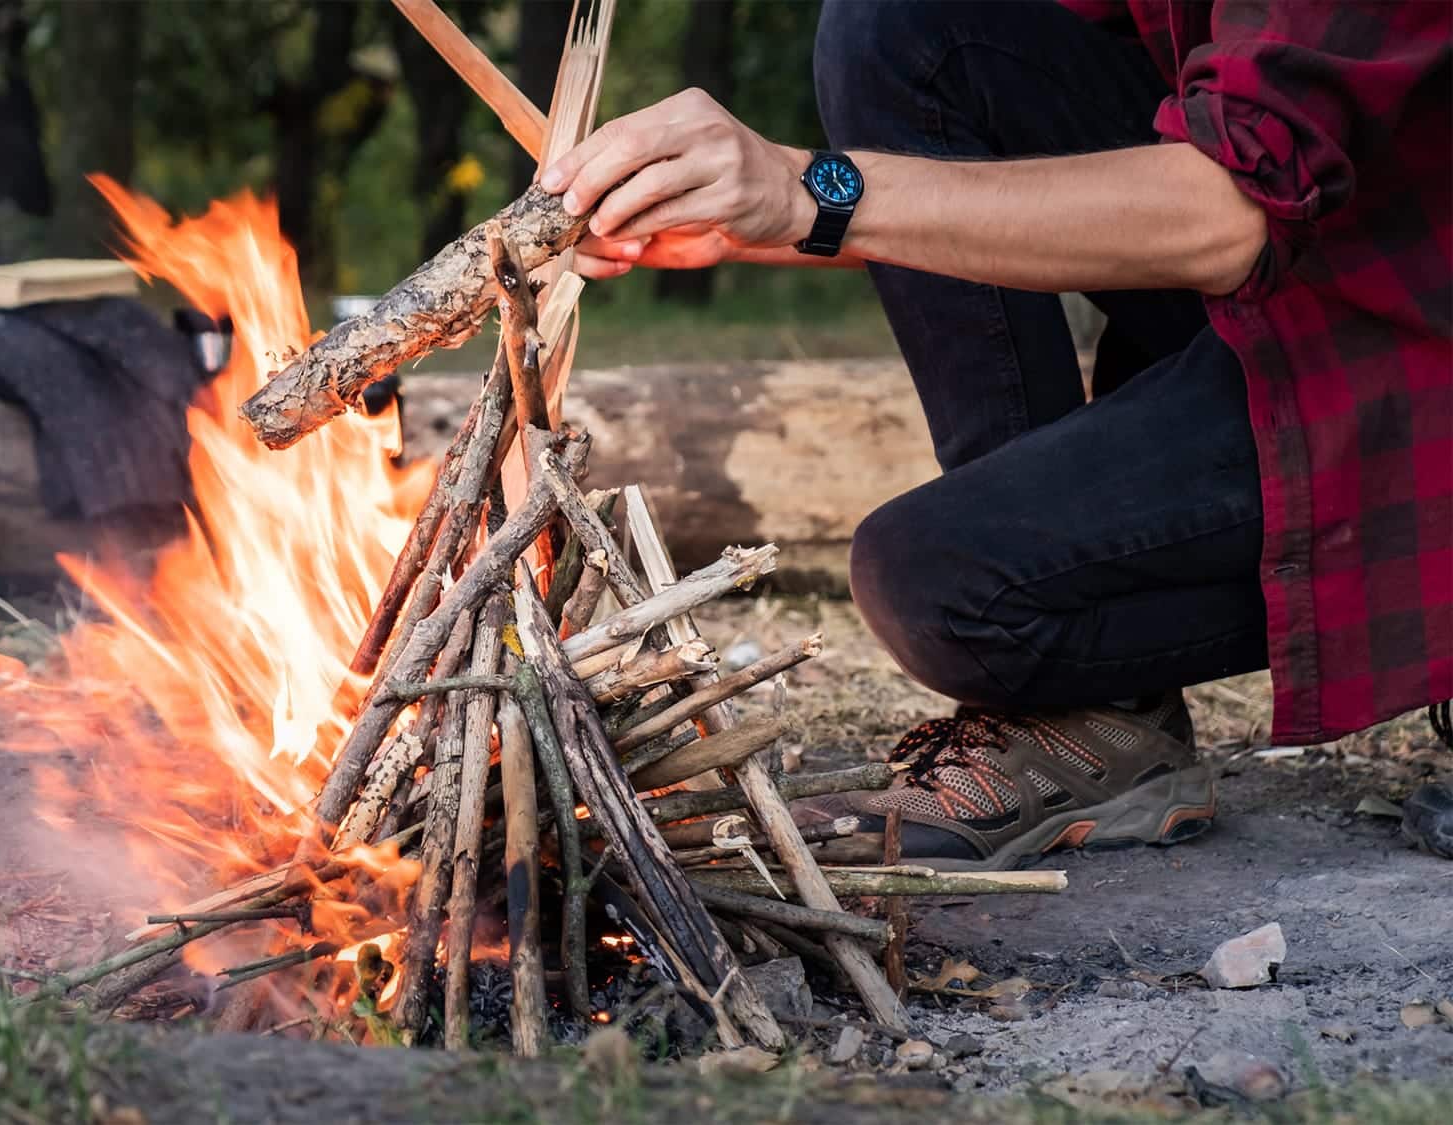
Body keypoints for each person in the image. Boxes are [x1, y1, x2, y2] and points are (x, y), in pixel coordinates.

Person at [542, 0, 1451, 870]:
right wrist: (745, 221)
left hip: (1408, 361)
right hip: (1308, 278)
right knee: (901, 26)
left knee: (938, 584)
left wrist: (803, 189)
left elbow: (1228, 214)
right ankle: (1089, 711)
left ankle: (1064, 685)